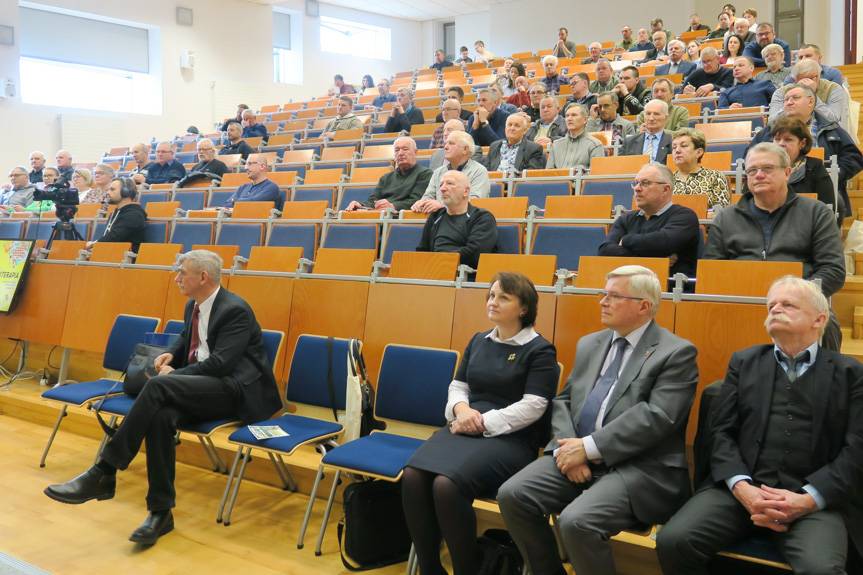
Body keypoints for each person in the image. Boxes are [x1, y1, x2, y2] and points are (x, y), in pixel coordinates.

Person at [44, 250, 282, 546]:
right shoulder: (192, 306)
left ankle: (104, 470)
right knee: (160, 416)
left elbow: (221, 363)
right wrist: (173, 353)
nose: (177, 277)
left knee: (158, 387)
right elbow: (188, 338)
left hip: (235, 390)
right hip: (205, 386)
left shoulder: (235, 310)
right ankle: (161, 513)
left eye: (182, 272)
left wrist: (175, 375)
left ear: (203, 277)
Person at [498, 264, 698, 575]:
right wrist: (568, 449)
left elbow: (657, 417)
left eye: (613, 296)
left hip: (639, 467)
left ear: (643, 306)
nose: (602, 301)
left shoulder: (676, 353)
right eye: (602, 294)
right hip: (576, 454)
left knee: (578, 521)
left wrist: (588, 448)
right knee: (513, 495)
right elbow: (564, 400)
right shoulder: (591, 343)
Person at [656, 276, 863, 575]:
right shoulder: (744, 361)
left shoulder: (850, 373)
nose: (775, 309)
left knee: (822, 569)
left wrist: (808, 499)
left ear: (819, 319)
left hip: (813, 501)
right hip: (740, 493)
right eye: (771, 305)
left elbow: (856, 450)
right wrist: (742, 488)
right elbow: (721, 433)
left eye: (787, 304)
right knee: (673, 541)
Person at [403, 272, 558, 575]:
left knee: (446, 486)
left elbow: (535, 405)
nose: (493, 302)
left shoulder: (540, 350)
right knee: (412, 476)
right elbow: (458, 386)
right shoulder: (478, 340)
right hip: (465, 425)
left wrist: (480, 421)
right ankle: (429, 568)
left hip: (512, 438)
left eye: (503, 297)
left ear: (524, 308)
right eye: (490, 295)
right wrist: (461, 411)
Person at [704, 143, 845, 299]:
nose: (758, 175)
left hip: (800, 303)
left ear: (787, 172)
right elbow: (712, 270)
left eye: (767, 168)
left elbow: (833, 270)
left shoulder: (817, 213)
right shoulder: (725, 218)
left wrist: (793, 296)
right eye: (752, 170)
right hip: (740, 300)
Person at [751, 84, 863, 219]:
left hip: (820, 187)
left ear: (811, 101)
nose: (789, 102)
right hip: (773, 187)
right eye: (786, 99)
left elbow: (854, 157)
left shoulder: (830, 127)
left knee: (834, 204)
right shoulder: (769, 130)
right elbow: (749, 156)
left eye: (795, 98)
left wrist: (833, 177)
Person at [599, 163, 700, 277]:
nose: (637, 188)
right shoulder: (625, 219)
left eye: (645, 183)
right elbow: (605, 251)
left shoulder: (685, 216)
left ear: (665, 189)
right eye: (636, 183)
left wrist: (625, 240)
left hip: (669, 290)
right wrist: (657, 260)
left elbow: (663, 243)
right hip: (627, 287)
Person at [415, 170, 497, 269]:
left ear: (465, 191)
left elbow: (474, 254)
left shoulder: (482, 218)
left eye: (449, 183)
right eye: (441, 185)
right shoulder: (435, 216)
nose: (442, 189)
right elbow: (422, 250)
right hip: (433, 271)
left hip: (462, 275)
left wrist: (438, 260)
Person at [770, 116, 839, 213]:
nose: (781, 144)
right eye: (777, 139)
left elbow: (826, 208)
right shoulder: (762, 167)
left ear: (802, 143)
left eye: (788, 139)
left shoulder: (815, 167)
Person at [346, 137, 432, 212]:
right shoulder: (386, 178)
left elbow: (417, 201)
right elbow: (373, 201)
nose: (400, 153)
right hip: (381, 216)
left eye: (405, 149)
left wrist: (392, 206)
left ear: (415, 152)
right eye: (397, 150)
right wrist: (360, 205)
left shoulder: (425, 174)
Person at [768, 60, 850, 135]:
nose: (806, 83)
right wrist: (791, 106)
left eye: (810, 78)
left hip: (824, 133)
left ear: (817, 76)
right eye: (801, 79)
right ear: (795, 80)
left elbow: (833, 119)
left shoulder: (833, 88)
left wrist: (812, 95)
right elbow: (772, 121)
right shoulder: (782, 92)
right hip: (790, 132)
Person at [414, 131, 490, 212]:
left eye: (451, 143)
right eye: (446, 143)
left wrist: (442, 206)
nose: (445, 147)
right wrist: (421, 204)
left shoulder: (479, 171)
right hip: (440, 220)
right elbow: (428, 196)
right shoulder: (438, 172)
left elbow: (475, 202)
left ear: (465, 149)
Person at [671, 128, 731, 209]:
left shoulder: (715, 177)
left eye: (683, 146)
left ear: (699, 152)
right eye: (674, 147)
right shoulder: (667, 180)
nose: (677, 150)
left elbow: (722, 213)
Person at [86, 177, 147, 252]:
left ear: (126, 192)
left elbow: (114, 237)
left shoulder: (134, 215)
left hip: (124, 259)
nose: (108, 192)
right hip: (110, 254)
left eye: (112, 189)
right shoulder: (117, 212)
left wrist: (93, 244)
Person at [546, 104, 605, 170]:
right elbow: (549, 174)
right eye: (567, 116)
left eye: (574, 115)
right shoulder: (556, 145)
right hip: (558, 180)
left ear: (585, 120)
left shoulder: (595, 145)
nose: (569, 119)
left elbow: (595, 175)